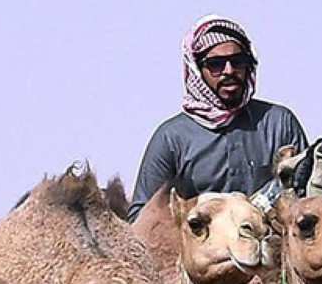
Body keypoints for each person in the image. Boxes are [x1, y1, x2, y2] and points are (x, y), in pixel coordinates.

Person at [127, 15, 308, 217]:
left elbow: (306, 198)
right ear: (197, 70)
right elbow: (141, 219)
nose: (228, 71)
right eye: (216, 64)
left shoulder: (279, 123)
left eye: (237, 61)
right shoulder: (171, 138)